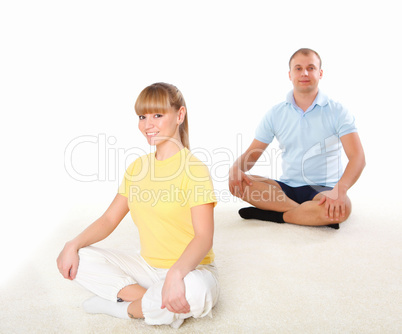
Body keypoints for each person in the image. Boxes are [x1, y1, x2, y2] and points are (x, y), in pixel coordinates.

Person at [57, 83, 219, 328]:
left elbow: (204, 237)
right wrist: (72, 244)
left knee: (197, 292)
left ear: (180, 115)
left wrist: (175, 275)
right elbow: (109, 220)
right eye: (142, 117)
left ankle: (121, 309)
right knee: (78, 257)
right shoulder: (137, 168)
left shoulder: (194, 170)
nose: (147, 124)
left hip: (191, 270)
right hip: (145, 267)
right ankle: (161, 301)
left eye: (157, 115)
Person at [229, 48, 365, 229]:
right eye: (298, 68)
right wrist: (235, 169)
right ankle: (306, 214)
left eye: (311, 68)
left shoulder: (338, 111)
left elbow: (358, 158)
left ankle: (275, 215)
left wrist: (339, 191)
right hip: (285, 188)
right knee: (242, 184)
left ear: (320, 73)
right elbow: (252, 155)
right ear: (290, 74)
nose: (305, 73)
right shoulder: (275, 113)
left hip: (324, 190)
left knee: (343, 209)